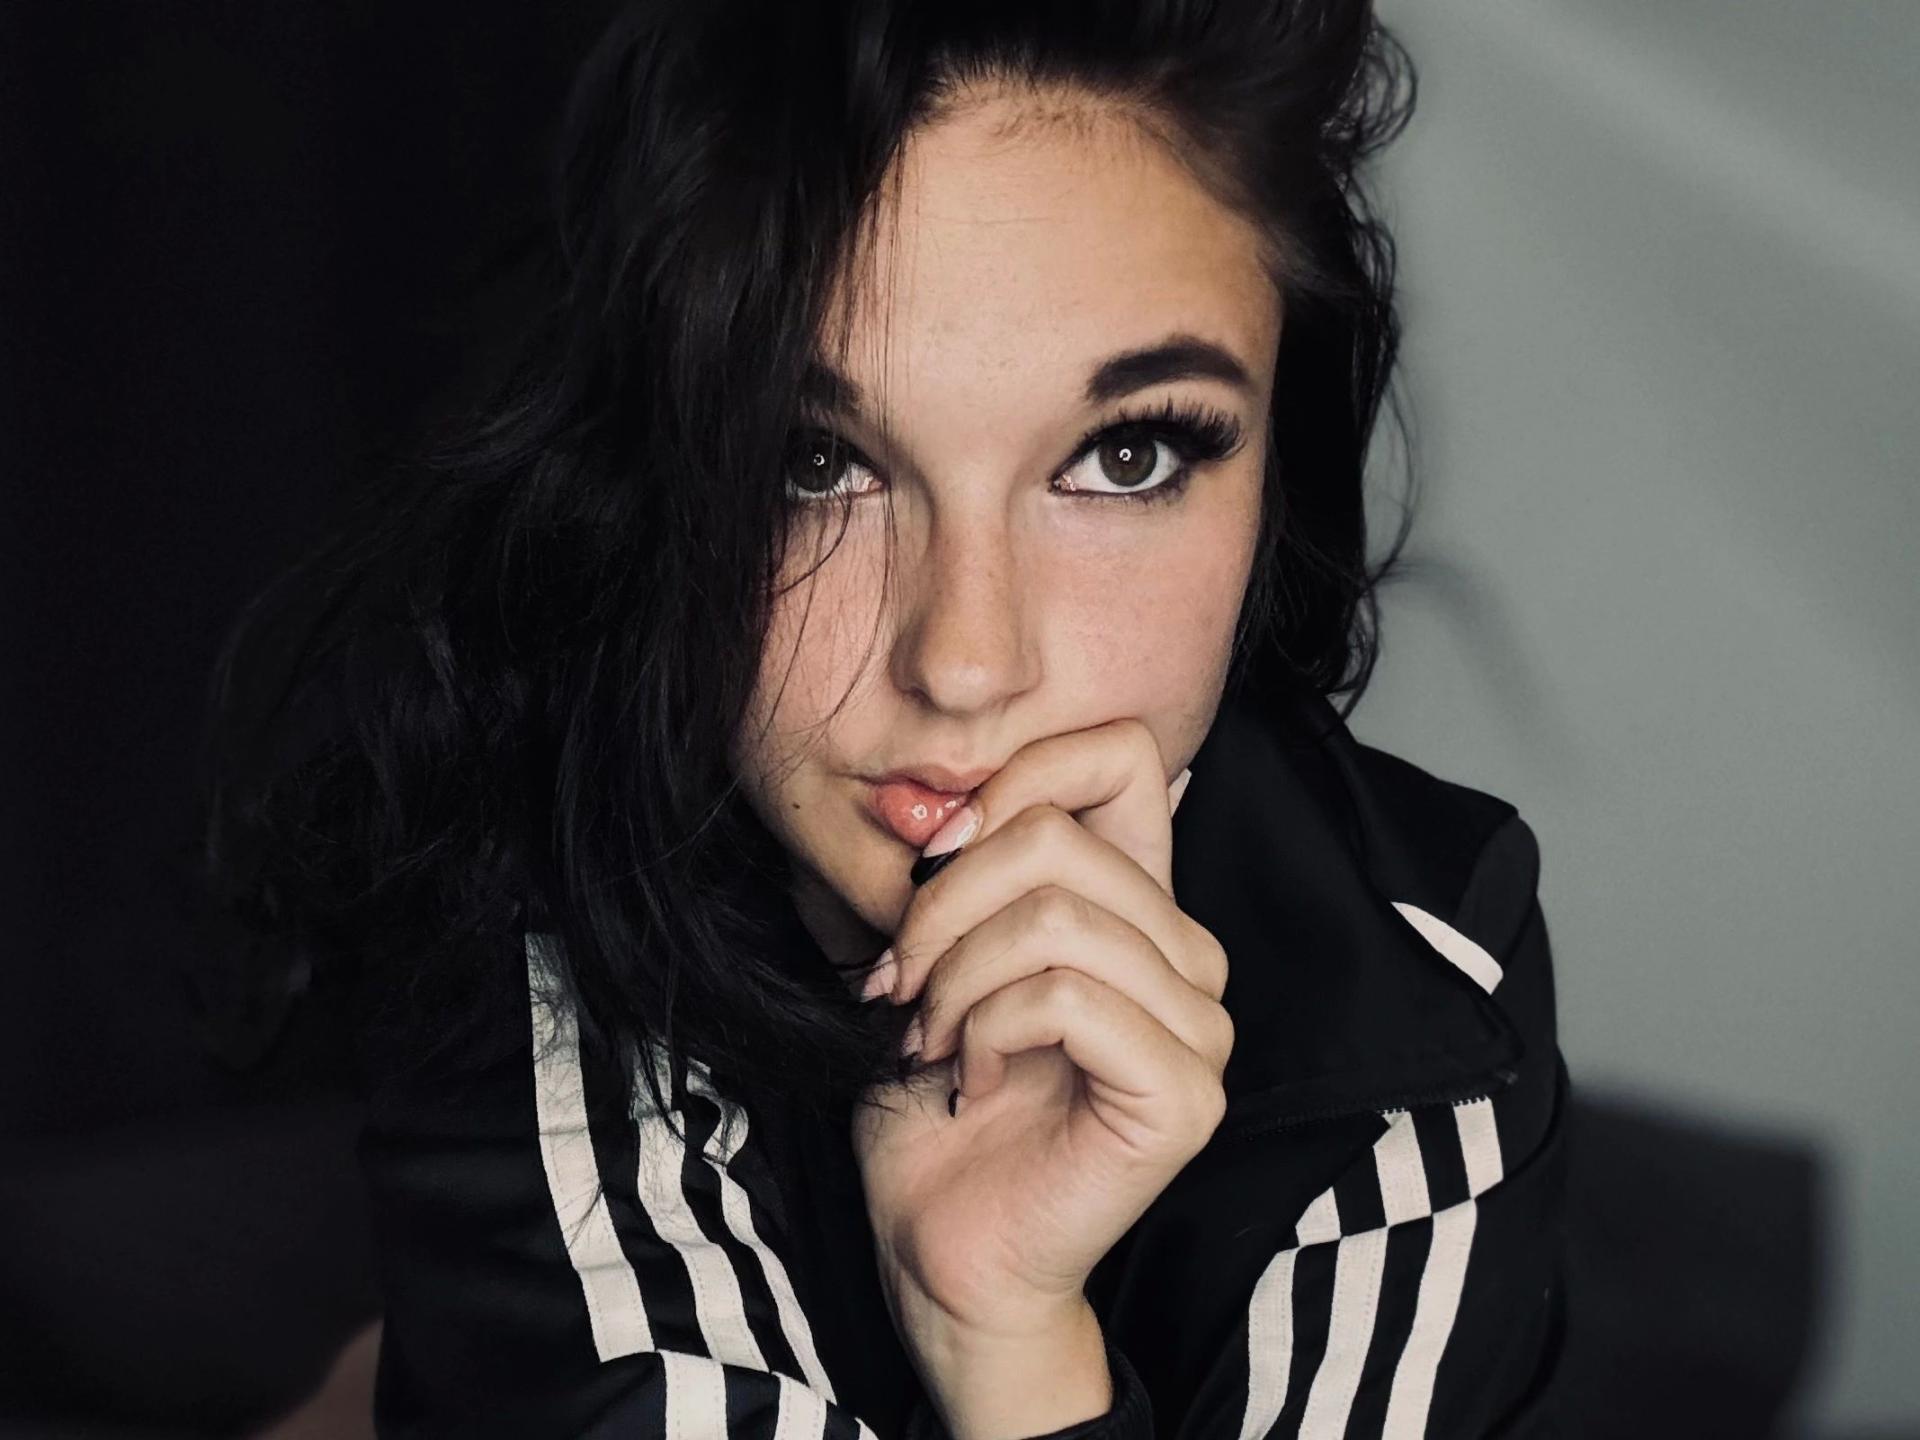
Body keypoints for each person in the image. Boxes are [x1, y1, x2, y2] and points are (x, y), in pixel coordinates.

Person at [203, 0, 1568, 1435]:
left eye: (1127, 454)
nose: (965, 664)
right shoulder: (538, 940)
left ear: (1274, 469)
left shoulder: (1424, 991)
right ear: (656, 483)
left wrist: (1001, 1330)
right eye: (816, 464)